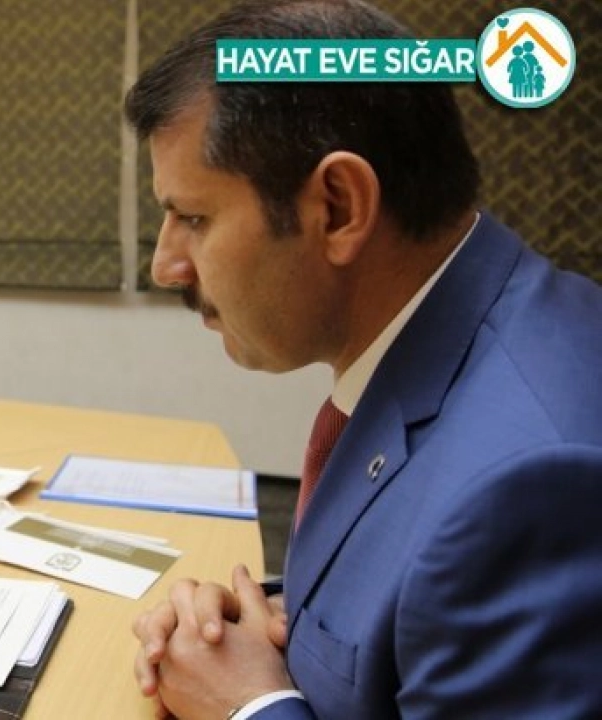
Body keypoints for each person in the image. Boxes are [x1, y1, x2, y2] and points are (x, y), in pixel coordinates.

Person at [124, 1, 602, 717]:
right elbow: (421, 592)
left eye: (194, 217)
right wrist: (255, 626)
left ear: (340, 208)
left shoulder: (531, 488)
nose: (166, 265)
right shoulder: (468, 333)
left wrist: (247, 705)